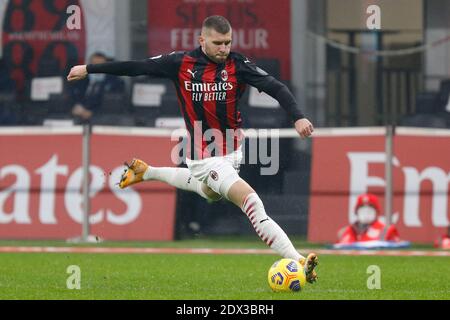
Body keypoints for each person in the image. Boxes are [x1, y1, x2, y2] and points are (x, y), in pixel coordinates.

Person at [67, 15, 318, 283]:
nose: (224, 48)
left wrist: (298, 116)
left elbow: (276, 87)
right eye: (218, 42)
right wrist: (89, 69)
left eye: (228, 42)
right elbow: (136, 67)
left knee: (209, 193)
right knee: (250, 201)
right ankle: (298, 260)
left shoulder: (237, 64)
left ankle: (147, 172)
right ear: (202, 40)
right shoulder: (181, 63)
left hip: (233, 151)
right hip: (204, 156)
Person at [69, 52, 125, 121]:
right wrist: (76, 107)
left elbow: (115, 106)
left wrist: (93, 113)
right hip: (78, 119)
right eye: (94, 64)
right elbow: (72, 96)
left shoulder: (115, 82)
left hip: (102, 121)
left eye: (100, 65)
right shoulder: (81, 79)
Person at [337, 193, 401, 244]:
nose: (366, 212)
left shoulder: (387, 230)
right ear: (356, 211)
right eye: (362, 208)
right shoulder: (348, 230)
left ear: (376, 212)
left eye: (370, 209)